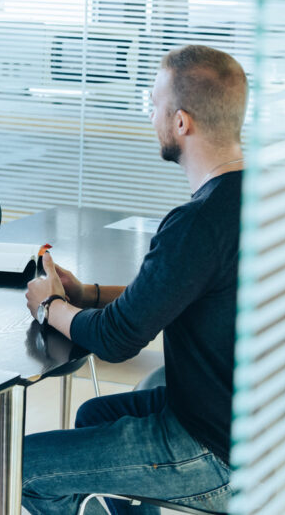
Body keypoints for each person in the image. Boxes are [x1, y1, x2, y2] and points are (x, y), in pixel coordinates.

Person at [21, 44, 248, 514]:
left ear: (181, 122)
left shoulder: (198, 223)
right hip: (263, 439)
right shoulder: (259, 199)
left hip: (211, 452)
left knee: (24, 469)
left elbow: (118, 339)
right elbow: (190, 292)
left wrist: (50, 305)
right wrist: (89, 294)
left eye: (154, 105)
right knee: (94, 416)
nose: (150, 117)